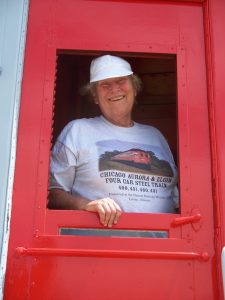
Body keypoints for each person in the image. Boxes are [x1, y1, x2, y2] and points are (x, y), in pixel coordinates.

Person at [48, 55, 179, 228]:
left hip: (163, 245)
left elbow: (176, 200)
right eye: (105, 85)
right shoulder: (77, 130)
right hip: (104, 245)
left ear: (135, 87)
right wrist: (84, 205)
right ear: (95, 96)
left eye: (121, 81)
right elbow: (52, 193)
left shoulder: (155, 136)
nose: (114, 89)